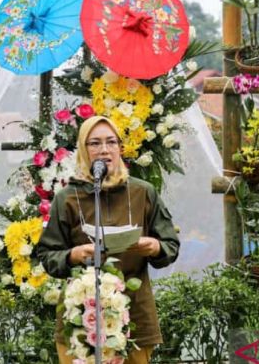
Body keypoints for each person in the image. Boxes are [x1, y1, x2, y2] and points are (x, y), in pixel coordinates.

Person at [37, 115, 180, 364]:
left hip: (134, 316)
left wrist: (155, 247)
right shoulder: (67, 197)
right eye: (95, 143)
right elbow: (48, 255)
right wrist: (73, 255)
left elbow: (170, 245)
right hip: (79, 318)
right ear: (83, 150)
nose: (104, 149)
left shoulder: (143, 192)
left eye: (111, 142)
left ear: (120, 148)